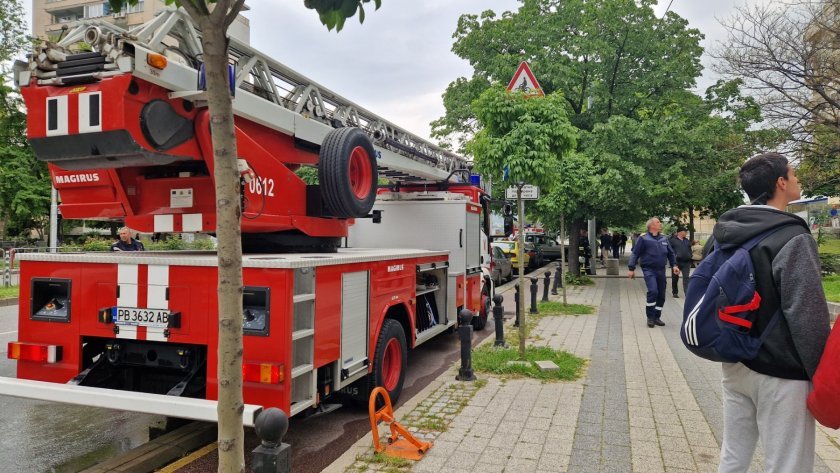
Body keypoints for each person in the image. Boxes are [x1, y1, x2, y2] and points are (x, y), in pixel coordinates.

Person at [712, 152, 829, 473]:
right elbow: (806, 313)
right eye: (794, 174)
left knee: (733, 456)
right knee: (787, 464)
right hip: (782, 371)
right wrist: (820, 374)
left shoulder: (725, 232)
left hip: (734, 361)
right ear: (780, 182)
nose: (798, 179)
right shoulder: (792, 236)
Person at [627, 217, 678, 328]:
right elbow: (635, 253)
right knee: (653, 291)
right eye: (658, 222)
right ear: (651, 226)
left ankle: (657, 317)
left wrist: (674, 265)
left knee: (661, 294)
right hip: (649, 269)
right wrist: (631, 268)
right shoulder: (643, 239)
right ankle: (650, 317)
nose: (660, 224)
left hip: (661, 270)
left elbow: (671, 253)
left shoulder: (664, 238)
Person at [668, 226, 692, 298]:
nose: (686, 233)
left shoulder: (686, 240)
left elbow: (689, 249)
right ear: (681, 232)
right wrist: (673, 259)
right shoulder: (672, 240)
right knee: (675, 278)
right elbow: (669, 251)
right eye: (685, 231)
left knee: (686, 278)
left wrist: (690, 255)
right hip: (676, 262)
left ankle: (687, 293)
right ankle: (675, 292)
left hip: (686, 262)